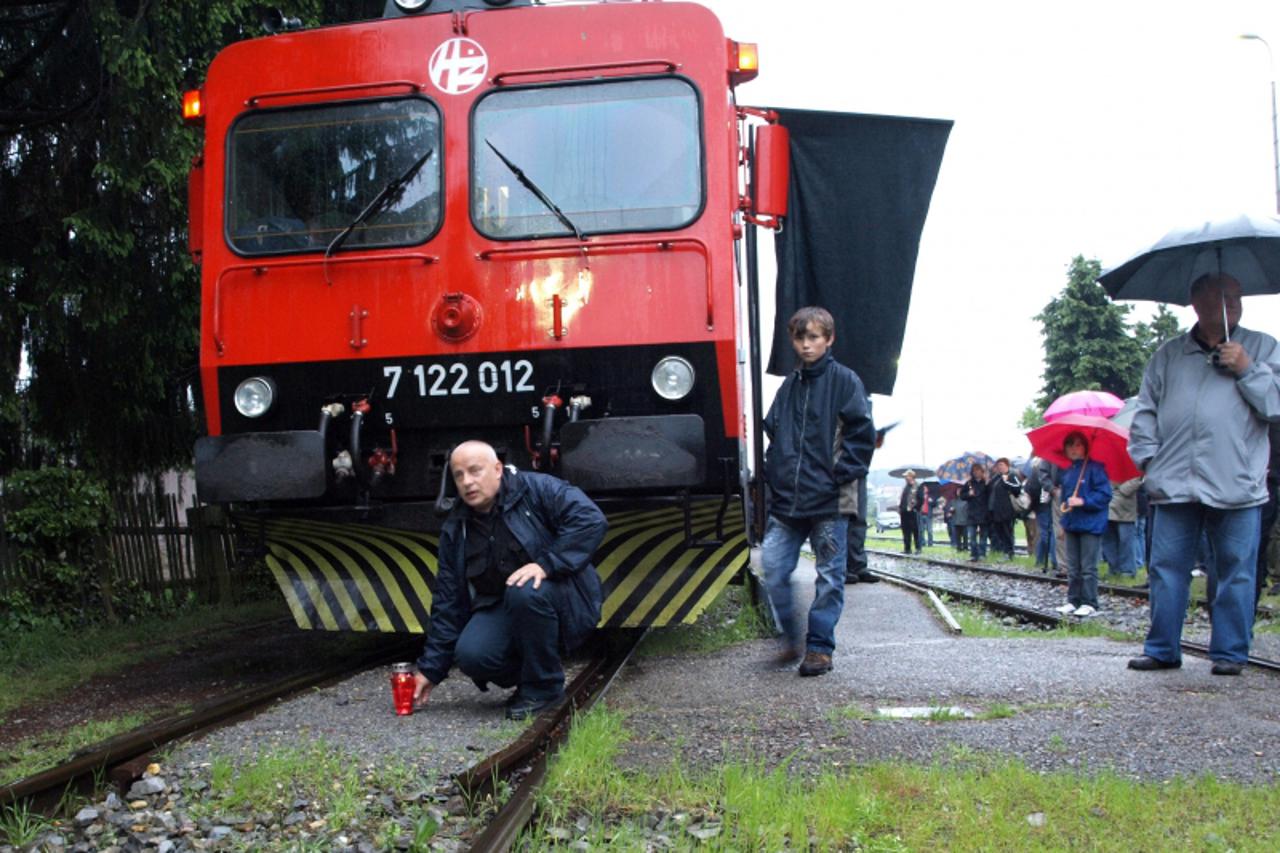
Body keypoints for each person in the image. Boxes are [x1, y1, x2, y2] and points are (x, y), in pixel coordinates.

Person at [1128, 273, 1280, 675]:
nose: (1232, 305)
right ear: (1196, 303)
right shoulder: (1168, 354)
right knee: (1166, 569)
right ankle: (1162, 649)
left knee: (1236, 571)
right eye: (1221, 298)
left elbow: (1276, 406)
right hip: (1175, 481)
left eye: (1236, 297)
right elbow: (1146, 409)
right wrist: (1147, 458)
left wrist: (1248, 369)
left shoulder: (1264, 347)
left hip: (1238, 482)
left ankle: (1230, 654)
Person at [412, 441, 607, 720]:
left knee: (525, 591)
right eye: (459, 475)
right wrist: (430, 670)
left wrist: (547, 564)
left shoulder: (538, 489)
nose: (467, 482)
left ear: (497, 469)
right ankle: (531, 677)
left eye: (475, 471)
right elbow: (448, 599)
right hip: (505, 606)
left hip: (562, 597)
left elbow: (591, 519)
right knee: (472, 655)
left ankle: (545, 687)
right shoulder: (456, 527)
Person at [763, 306, 875, 677]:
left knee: (829, 577)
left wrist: (838, 475)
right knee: (774, 569)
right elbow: (773, 434)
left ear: (829, 339)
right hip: (788, 501)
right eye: (800, 337)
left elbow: (862, 436)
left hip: (830, 499)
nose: (806, 345)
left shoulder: (846, 381)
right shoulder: (789, 386)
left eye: (814, 337)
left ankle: (819, 648)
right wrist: (774, 472)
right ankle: (791, 639)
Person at [1054, 433, 1111, 617]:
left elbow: (1105, 495)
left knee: (1088, 566)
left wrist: (1084, 501)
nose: (1073, 449)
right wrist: (1063, 522)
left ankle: (1089, 601)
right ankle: (1073, 600)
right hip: (1072, 524)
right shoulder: (1069, 472)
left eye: (1078, 445)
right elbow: (1065, 500)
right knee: (1073, 566)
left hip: (1091, 524)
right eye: (1070, 445)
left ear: (1085, 447)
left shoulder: (1096, 468)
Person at [1101, 477, 1142, 578]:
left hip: (1125, 506)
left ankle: (1127, 570)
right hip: (1107, 503)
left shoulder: (1132, 462)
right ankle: (1114, 568)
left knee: (1126, 540)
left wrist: (1122, 490)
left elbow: (1138, 478)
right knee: (1108, 540)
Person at [845, 477, 879, 584]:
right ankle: (839, 567)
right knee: (840, 519)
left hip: (858, 469)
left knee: (859, 519)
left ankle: (857, 565)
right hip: (838, 468)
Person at [987, 458, 1022, 560]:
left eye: (1001, 465)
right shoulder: (996, 477)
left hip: (1006, 510)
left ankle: (1010, 552)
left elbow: (1018, 488)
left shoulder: (1011, 475)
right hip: (996, 510)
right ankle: (1005, 551)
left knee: (1007, 531)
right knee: (999, 531)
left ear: (1007, 465)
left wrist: (1006, 482)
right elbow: (989, 488)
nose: (1000, 467)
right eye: (998, 465)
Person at [1034, 457, 1060, 573]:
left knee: (1050, 533)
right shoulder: (1049, 457)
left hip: (1047, 502)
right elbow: (1043, 476)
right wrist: (1053, 489)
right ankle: (1057, 562)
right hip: (1052, 499)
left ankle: (1056, 561)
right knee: (1054, 532)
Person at [961, 463, 990, 560]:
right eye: (975, 471)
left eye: (978, 471)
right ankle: (974, 554)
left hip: (984, 513)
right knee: (972, 536)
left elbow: (990, 495)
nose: (977, 473)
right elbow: (962, 496)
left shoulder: (986, 483)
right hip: (972, 513)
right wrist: (968, 494)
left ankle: (982, 553)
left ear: (982, 472)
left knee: (983, 536)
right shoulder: (969, 484)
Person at [898, 471, 923, 554]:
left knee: (916, 530)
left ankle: (918, 548)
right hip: (904, 512)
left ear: (911, 476)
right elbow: (903, 499)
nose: (905, 478)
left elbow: (921, 499)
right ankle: (907, 548)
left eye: (907, 476)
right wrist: (901, 508)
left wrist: (916, 508)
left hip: (913, 512)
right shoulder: (906, 487)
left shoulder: (918, 486)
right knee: (906, 530)